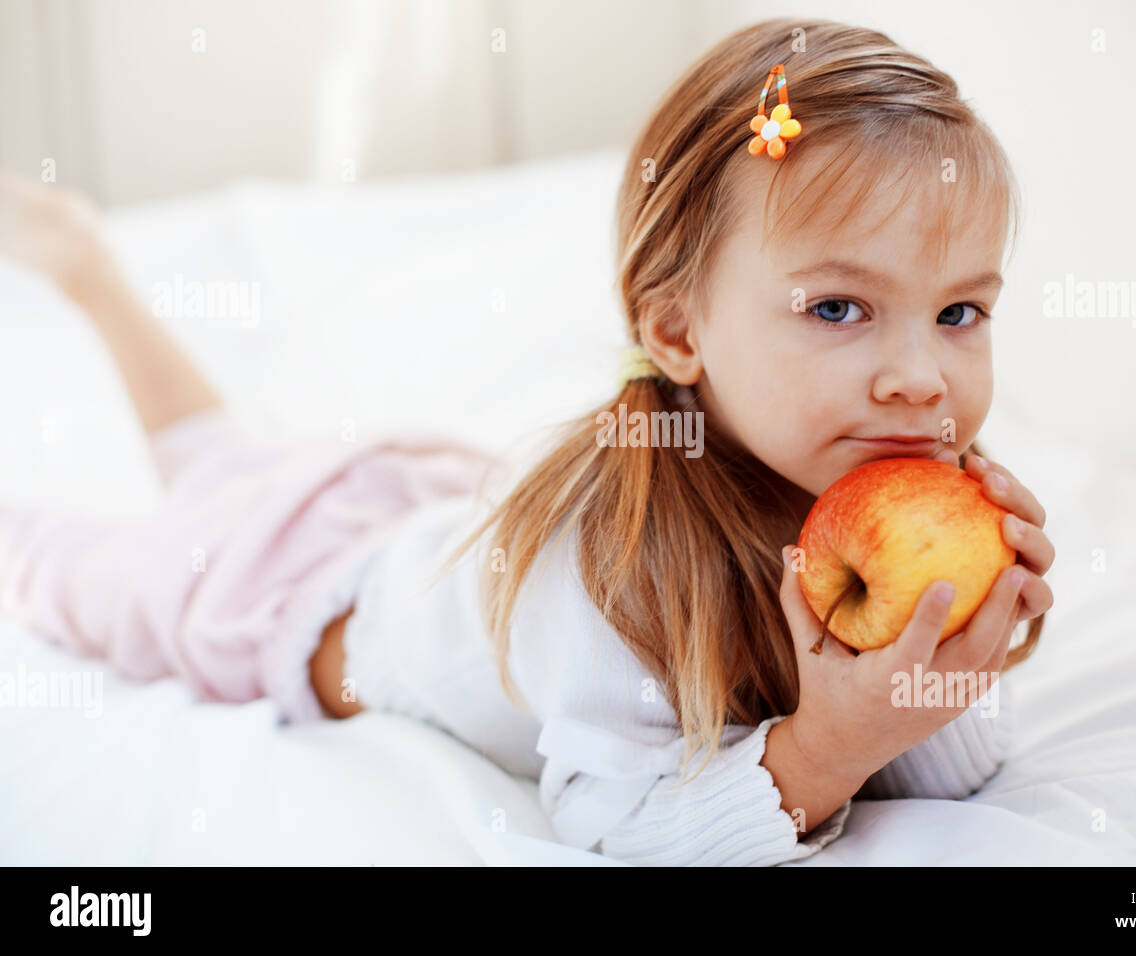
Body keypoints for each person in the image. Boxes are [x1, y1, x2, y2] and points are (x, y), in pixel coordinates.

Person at [0, 17, 1054, 866]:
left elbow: (945, 772)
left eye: (959, 313)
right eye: (837, 308)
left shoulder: (875, 496)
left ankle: (91, 275)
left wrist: (952, 654)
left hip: (428, 518)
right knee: (79, 567)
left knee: (224, 468)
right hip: (299, 598)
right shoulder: (608, 567)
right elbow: (610, 814)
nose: (921, 376)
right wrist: (830, 747)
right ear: (677, 328)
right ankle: (88, 282)